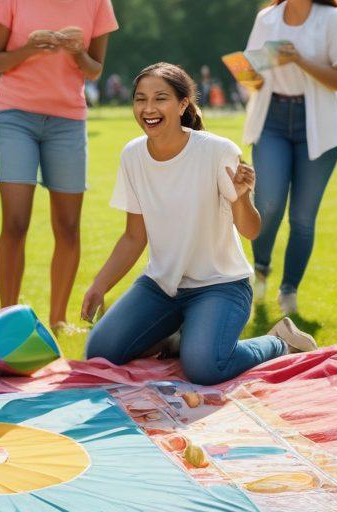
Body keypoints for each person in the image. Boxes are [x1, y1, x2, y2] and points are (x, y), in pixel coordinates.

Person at [83, 63, 316, 383]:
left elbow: (251, 230)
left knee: (205, 368)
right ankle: (180, 339)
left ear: (182, 104)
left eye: (160, 99)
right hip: (162, 287)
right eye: (140, 99)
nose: (148, 109)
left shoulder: (217, 151)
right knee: (100, 352)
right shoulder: (132, 155)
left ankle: (278, 341)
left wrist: (241, 198)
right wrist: (99, 285)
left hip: (220, 286)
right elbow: (133, 237)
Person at [0, 0, 119, 334]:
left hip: (67, 120)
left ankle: (59, 319)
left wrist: (77, 52)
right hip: (16, 117)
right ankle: (8, 318)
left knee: (67, 225)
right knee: (16, 221)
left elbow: (96, 68)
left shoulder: (96, 1)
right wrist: (28, 48)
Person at [242, 0, 337, 317]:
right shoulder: (267, 19)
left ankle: (288, 291)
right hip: (272, 119)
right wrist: (253, 74)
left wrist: (299, 59)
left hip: (318, 125)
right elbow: (249, 77)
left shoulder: (333, 19)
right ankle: (260, 269)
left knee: (303, 218)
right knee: (269, 202)